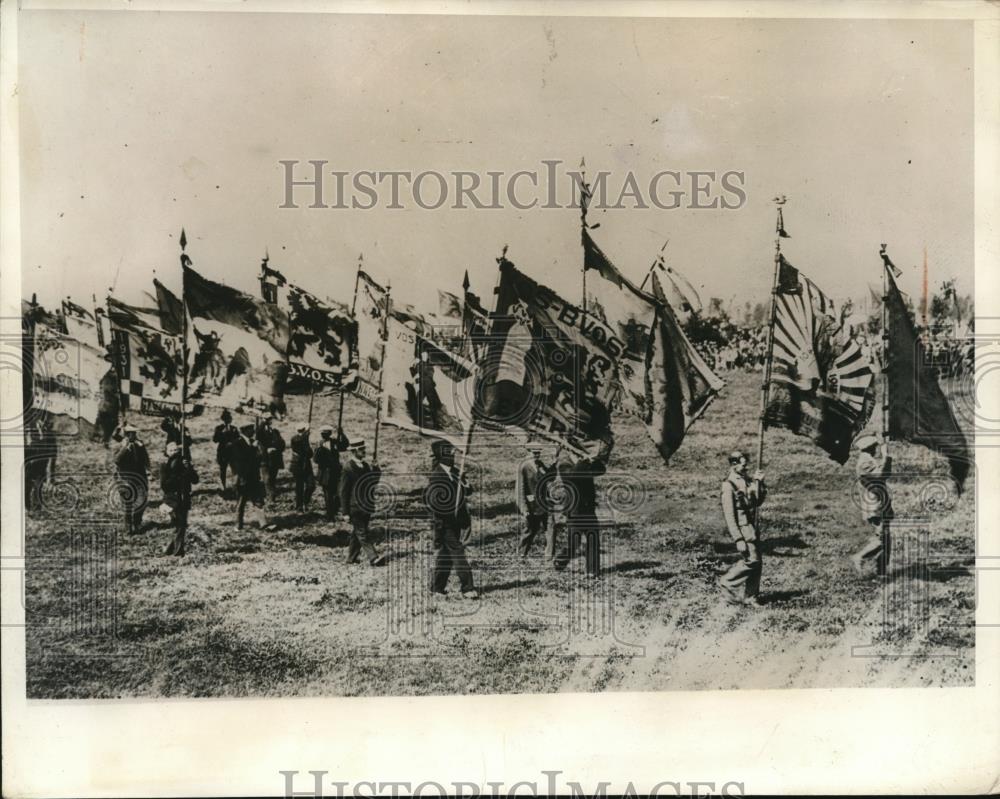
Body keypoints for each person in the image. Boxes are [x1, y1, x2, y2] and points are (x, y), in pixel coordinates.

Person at [425, 439, 478, 598]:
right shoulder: (437, 476)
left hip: (456, 521)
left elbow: (468, 492)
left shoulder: (455, 472)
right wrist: (450, 510)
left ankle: (437, 588)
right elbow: (434, 503)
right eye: (450, 451)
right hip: (444, 523)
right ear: (442, 455)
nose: (454, 453)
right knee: (458, 552)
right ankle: (468, 588)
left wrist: (465, 482)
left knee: (445, 556)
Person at [719, 451, 767, 606]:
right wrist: (738, 538)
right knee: (752, 560)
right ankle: (727, 583)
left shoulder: (746, 480)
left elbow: (757, 501)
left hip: (752, 527)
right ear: (734, 464)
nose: (745, 467)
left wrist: (760, 483)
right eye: (742, 464)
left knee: (757, 563)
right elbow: (729, 516)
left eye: (746, 464)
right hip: (743, 530)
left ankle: (751, 596)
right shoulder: (728, 485)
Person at [553, 443, 607, 577]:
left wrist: (595, 460)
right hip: (575, 511)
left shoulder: (581, 462)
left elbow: (601, 470)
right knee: (574, 543)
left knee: (593, 538)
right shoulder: (563, 463)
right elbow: (574, 476)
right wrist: (585, 461)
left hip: (588, 508)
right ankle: (560, 561)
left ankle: (592, 570)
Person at [338, 438, 386, 566]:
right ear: (354, 451)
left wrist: (376, 469)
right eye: (361, 449)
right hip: (355, 508)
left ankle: (351, 558)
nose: (364, 451)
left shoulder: (365, 466)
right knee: (362, 533)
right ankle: (373, 557)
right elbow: (343, 492)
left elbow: (372, 482)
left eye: (364, 449)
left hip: (366, 506)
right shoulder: (348, 468)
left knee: (358, 532)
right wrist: (345, 512)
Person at [850, 434, 893, 577]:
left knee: (886, 541)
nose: (877, 449)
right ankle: (859, 557)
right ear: (869, 448)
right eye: (875, 447)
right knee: (881, 540)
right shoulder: (864, 463)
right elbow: (881, 475)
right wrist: (886, 456)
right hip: (875, 507)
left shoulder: (868, 460)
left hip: (881, 505)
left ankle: (881, 572)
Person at [160, 441, 199, 557]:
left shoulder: (184, 463)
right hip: (172, 499)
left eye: (176, 450)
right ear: (166, 452)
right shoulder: (165, 466)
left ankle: (170, 549)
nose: (174, 453)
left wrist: (188, 468)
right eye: (171, 450)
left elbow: (195, 480)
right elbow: (164, 485)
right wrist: (177, 475)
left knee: (180, 525)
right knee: (180, 525)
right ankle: (178, 552)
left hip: (184, 498)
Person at [515, 442, 551, 559]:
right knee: (530, 531)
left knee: (550, 529)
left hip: (544, 504)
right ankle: (521, 554)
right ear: (528, 452)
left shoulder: (540, 464)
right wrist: (524, 508)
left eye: (538, 453)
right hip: (532, 506)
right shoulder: (523, 467)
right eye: (534, 453)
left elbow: (548, 476)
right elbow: (520, 489)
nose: (537, 455)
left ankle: (549, 555)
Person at [114, 424, 151, 535]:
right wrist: (124, 448)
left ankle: (137, 522)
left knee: (142, 501)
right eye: (130, 433)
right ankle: (128, 528)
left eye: (134, 433)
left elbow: (145, 458)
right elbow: (117, 460)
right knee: (127, 505)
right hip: (125, 479)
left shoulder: (139, 445)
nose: (133, 435)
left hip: (140, 478)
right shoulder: (119, 445)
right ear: (126, 434)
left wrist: (148, 470)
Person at [230, 423, 263, 530]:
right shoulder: (237, 443)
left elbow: (258, 459)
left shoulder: (254, 442)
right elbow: (240, 460)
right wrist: (252, 449)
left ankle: (263, 523)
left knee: (258, 500)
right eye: (250, 429)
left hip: (253, 476)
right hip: (243, 478)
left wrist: (259, 451)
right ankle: (238, 525)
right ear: (244, 431)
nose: (253, 431)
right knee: (241, 502)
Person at [314, 426, 347, 521]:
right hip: (325, 473)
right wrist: (320, 449)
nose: (325, 435)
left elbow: (344, 446)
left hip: (336, 471)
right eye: (323, 434)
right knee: (328, 496)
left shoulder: (334, 442)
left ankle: (336, 510)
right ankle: (330, 516)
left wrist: (342, 434)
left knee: (338, 493)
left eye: (327, 433)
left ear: (330, 434)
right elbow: (315, 459)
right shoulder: (318, 444)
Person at [24, 416, 57, 511]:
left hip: (41, 466)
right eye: (44, 422)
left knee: (38, 487)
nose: (46, 424)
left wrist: (51, 480)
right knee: (26, 487)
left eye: (48, 423)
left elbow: (52, 460)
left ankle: (36, 510)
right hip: (28, 464)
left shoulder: (51, 438)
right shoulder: (28, 430)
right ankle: (26, 508)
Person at [257, 414, 286, 505]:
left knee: (273, 478)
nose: (268, 421)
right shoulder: (260, 431)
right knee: (267, 479)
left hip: (275, 459)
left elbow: (282, 443)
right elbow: (259, 436)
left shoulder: (275, 432)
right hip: (264, 459)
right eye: (266, 419)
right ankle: (271, 497)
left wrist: (275, 448)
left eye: (269, 419)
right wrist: (267, 449)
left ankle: (271, 496)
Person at [289, 423, 316, 512]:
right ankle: (299, 507)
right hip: (297, 465)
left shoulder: (304, 438)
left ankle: (305, 501)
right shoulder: (295, 438)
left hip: (306, 465)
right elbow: (301, 448)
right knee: (299, 487)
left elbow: (310, 453)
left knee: (311, 485)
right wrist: (305, 438)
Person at [212, 409, 239, 495]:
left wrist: (232, 443)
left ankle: (235, 487)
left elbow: (238, 439)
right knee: (223, 470)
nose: (228, 420)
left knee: (235, 470)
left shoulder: (234, 428)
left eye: (229, 418)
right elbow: (215, 440)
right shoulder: (219, 428)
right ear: (223, 419)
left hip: (233, 452)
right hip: (223, 452)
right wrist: (221, 433)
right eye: (226, 418)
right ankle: (223, 486)